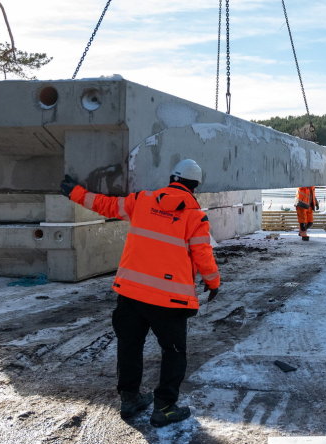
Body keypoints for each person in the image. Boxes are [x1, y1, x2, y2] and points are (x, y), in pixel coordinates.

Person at [60, 159, 220, 428]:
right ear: (195, 187)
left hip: (131, 294)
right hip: (170, 300)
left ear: (172, 178)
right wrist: (213, 283)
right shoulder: (195, 216)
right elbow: (203, 254)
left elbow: (104, 204)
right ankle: (165, 408)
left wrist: (73, 191)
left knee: (130, 345)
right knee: (173, 352)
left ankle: (130, 399)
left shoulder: (142, 200)